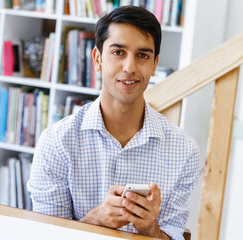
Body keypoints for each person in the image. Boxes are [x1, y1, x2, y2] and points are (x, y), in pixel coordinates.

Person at [27, 5, 200, 240]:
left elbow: (174, 233)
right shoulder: (56, 141)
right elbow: (45, 235)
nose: (129, 67)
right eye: (118, 52)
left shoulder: (184, 150)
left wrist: (151, 229)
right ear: (98, 58)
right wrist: (95, 219)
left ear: (154, 64)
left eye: (142, 55)